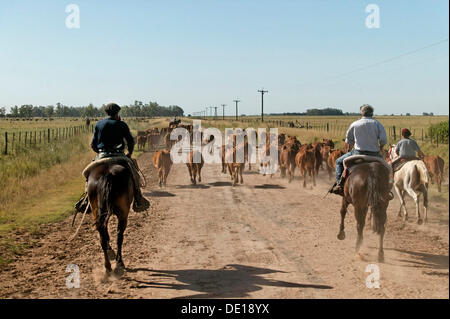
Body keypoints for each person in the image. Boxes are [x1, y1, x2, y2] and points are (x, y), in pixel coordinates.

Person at [75, 103, 150, 213]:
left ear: (107, 113)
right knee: (133, 171)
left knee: (88, 174)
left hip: (102, 155)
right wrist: (129, 153)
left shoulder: (99, 124)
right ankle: (138, 197)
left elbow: (93, 144)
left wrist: (100, 153)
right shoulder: (121, 124)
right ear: (117, 113)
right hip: (119, 155)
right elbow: (130, 141)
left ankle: (86, 198)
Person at [330, 104, 388, 195]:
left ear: (361, 113)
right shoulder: (378, 124)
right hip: (374, 154)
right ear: (372, 113)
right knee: (386, 168)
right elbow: (383, 140)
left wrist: (350, 147)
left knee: (338, 162)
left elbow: (348, 140)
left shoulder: (355, 124)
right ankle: (387, 189)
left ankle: (339, 185)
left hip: (357, 153)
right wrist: (380, 148)